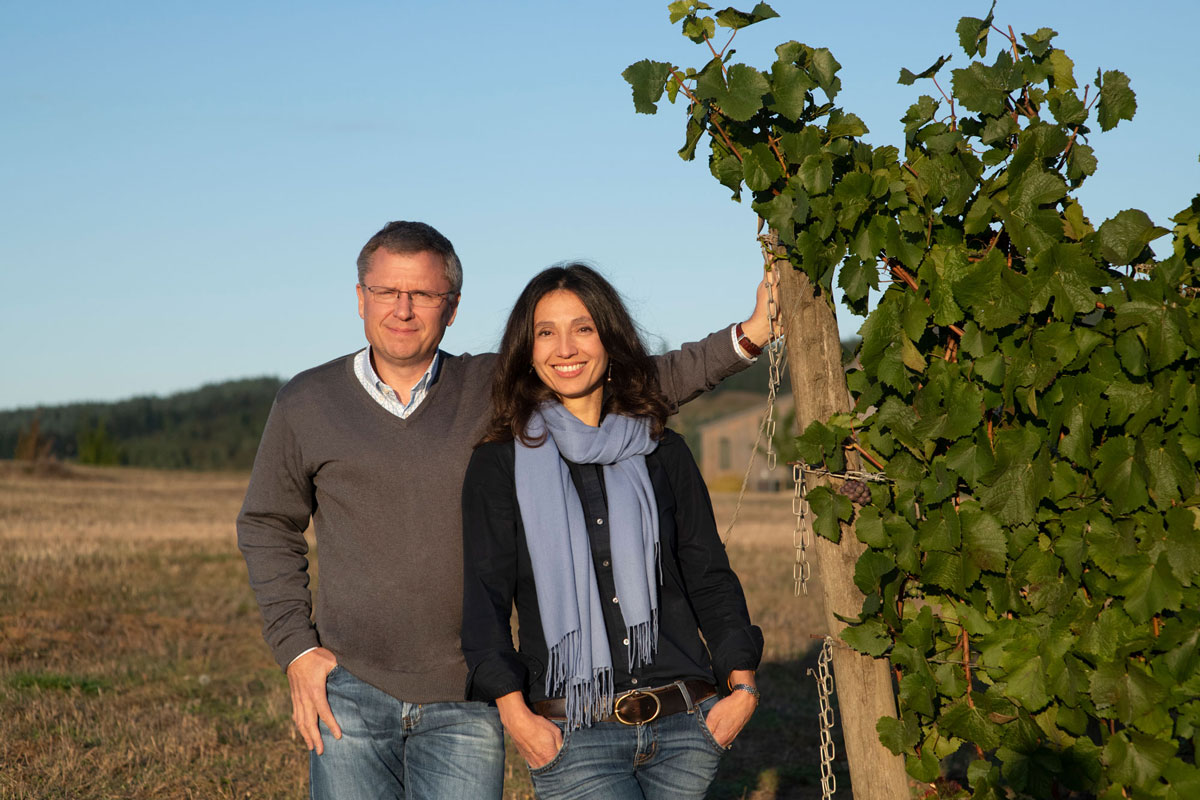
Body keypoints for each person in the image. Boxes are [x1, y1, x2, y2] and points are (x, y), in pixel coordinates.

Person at [236, 221, 776, 799]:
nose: (403, 308)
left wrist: (748, 335)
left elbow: (620, 381)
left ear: (453, 307)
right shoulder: (307, 401)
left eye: (423, 294)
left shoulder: (494, 386)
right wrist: (296, 646)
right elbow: (268, 523)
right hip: (350, 684)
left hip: (467, 698)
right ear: (360, 298)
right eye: (386, 291)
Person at [461, 264, 764, 800]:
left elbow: (709, 574)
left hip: (686, 726)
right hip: (571, 736)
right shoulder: (500, 463)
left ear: (609, 339)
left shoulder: (661, 449)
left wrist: (741, 688)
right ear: (527, 352)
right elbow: (484, 601)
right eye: (545, 332)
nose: (564, 348)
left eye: (582, 328)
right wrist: (517, 716)